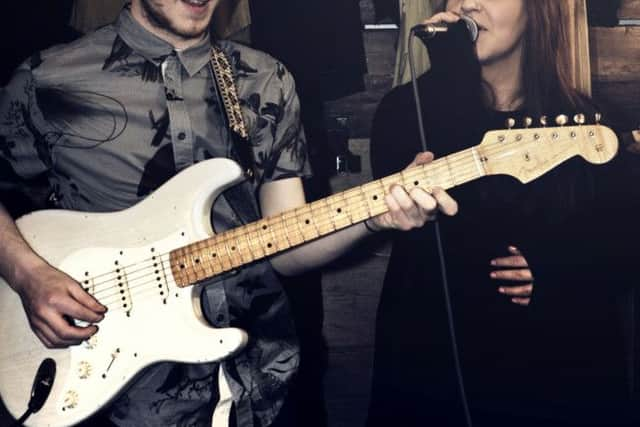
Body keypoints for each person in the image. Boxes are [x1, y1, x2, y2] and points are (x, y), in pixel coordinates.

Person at [0, 1, 459, 426]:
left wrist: (374, 217)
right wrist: (27, 275)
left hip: (257, 385)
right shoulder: (47, 81)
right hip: (114, 392)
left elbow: (287, 244)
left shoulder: (265, 80)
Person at [366, 1, 638, 426]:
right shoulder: (406, 112)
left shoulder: (592, 127)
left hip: (553, 382)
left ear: (538, 11)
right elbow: (466, 211)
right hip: (433, 373)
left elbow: (624, 249)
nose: (467, 3)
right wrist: (451, 72)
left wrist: (561, 270)